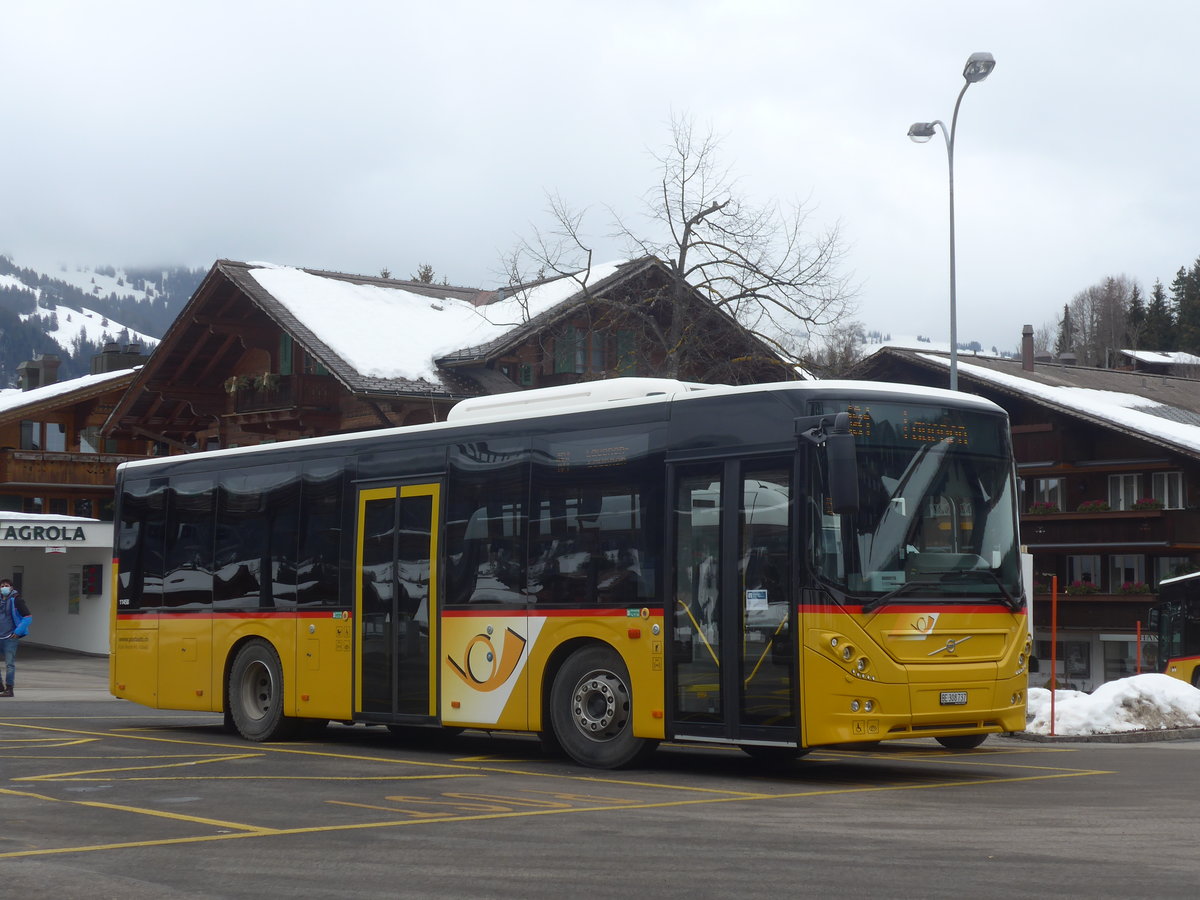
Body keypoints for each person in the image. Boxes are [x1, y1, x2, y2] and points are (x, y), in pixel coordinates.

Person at [0, 578, 32, 697]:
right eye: (2, 586)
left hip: (10, 637)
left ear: (11, 587)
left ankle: (9, 689)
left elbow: (28, 617)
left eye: (6, 585)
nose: (4, 588)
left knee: (9, 664)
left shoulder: (17, 600)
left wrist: (18, 632)